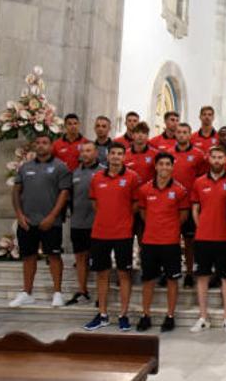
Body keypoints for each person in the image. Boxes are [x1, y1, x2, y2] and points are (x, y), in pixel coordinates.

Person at [82, 142, 141, 331]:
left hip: (123, 232)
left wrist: (122, 218)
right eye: (113, 153)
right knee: (102, 273)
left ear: (124, 157)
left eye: (119, 154)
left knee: (124, 273)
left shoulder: (132, 177)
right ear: (107, 157)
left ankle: (123, 314)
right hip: (100, 232)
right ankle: (102, 314)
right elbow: (95, 203)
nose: (116, 157)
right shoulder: (97, 177)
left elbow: (135, 204)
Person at [9, 132, 72, 309]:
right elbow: (15, 192)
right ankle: (27, 293)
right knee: (28, 257)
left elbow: (64, 193)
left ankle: (58, 293)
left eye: (45, 142)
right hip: (27, 222)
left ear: (51, 146)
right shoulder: (25, 167)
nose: (41, 145)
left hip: (51, 222)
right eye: (38, 142)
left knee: (53, 256)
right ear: (34, 146)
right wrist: (19, 215)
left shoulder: (60, 167)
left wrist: (52, 216)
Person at [135, 152, 190, 333]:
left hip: (171, 242)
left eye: (168, 164)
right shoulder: (144, 189)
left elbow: (183, 216)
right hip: (150, 241)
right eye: (161, 164)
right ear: (156, 166)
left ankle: (170, 316)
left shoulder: (180, 190)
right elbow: (143, 213)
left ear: (172, 167)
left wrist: (170, 227)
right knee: (148, 279)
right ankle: (145, 315)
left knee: (172, 280)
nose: (164, 167)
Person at [189, 147, 226, 334]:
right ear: (209, 159)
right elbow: (195, 209)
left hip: (225, 237)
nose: (217, 160)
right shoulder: (199, 182)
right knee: (202, 276)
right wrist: (201, 225)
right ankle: (203, 317)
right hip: (203, 238)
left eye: (220, 157)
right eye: (214, 157)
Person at [171, 123, 208, 288]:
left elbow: (202, 180)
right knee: (170, 241)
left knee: (190, 241)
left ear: (189, 135)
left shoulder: (198, 155)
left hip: (190, 203)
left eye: (185, 132)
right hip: (171, 204)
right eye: (179, 132)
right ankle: (170, 271)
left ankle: (189, 273)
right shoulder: (168, 154)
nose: (181, 135)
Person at [66, 141, 102, 306]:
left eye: (89, 151)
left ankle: (99, 294)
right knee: (80, 257)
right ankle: (82, 290)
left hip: (97, 223)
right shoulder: (74, 173)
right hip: (78, 222)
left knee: (98, 260)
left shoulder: (103, 172)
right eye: (84, 151)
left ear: (96, 153)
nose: (86, 154)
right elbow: (70, 197)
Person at [123, 122, 158, 186]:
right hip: (129, 191)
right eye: (137, 132)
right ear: (133, 135)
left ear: (147, 136)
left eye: (143, 133)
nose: (140, 135)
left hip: (147, 192)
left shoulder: (155, 154)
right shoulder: (125, 154)